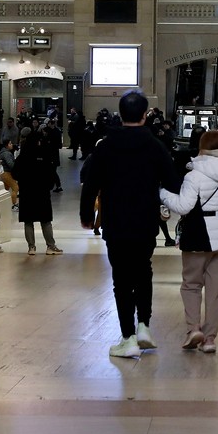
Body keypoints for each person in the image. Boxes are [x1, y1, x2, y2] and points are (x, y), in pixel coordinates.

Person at [80, 91, 184, 358]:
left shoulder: (105, 146)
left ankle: (127, 337)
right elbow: (173, 183)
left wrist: (86, 217)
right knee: (143, 270)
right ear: (144, 114)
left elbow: (90, 185)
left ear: (121, 113)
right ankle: (144, 325)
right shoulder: (155, 146)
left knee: (121, 279)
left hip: (116, 221)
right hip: (145, 220)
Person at [161, 129, 218, 354]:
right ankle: (210, 339)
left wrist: (164, 194)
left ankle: (194, 328)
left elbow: (184, 206)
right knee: (216, 290)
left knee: (191, 284)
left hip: (198, 233)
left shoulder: (194, 174)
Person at [15, 131, 62, 255]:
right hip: (42, 192)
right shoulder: (44, 153)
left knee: (28, 220)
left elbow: (15, 172)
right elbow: (51, 172)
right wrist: (49, 185)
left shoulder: (23, 155)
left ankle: (31, 247)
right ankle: (50, 246)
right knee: (45, 220)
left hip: (26, 192)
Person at [0, 139, 19, 212]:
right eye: (10, 144)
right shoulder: (7, 154)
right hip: (7, 173)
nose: (12, 145)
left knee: (5, 188)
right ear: (6, 145)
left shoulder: (3, 152)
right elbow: (10, 164)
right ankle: (15, 205)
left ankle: (1, 204)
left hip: (4, 173)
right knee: (15, 187)